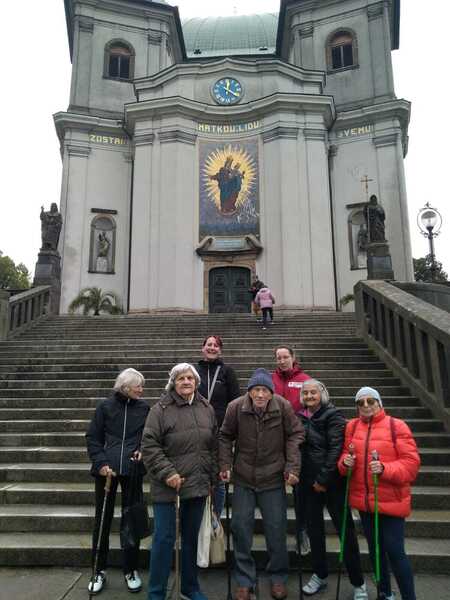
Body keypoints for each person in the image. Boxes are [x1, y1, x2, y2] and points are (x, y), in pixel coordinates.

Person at [219, 368, 305, 600]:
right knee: (240, 528)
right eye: (256, 390)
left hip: (273, 476)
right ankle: (245, 580)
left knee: (276, 529)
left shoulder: (283, 406)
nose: (260, 395)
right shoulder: (235, 407)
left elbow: (296, 434)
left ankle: (277, 577)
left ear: (271, 392)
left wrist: (292, 467)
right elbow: (225, 436)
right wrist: (224, 465)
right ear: (249, 392)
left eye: (264, 390)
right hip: (244, 477)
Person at [142, 363, 218, 600]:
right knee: (164, 540)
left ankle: (190, 587)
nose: (186, 382)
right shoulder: (160, 409)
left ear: (196, 382)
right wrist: (168, 473)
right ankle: (156, 592)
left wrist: (212, 476)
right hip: (169, 488)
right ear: (173, 382)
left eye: (190, 378)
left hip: (197, 485)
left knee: (191, 540)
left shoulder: (206, 407)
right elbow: (149, 445)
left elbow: (213, 445)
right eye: (181, 378)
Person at [339, 387, 420, 600]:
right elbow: (344, 462)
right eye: (361, 402)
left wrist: (385, 469)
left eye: (371, 401)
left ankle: (409, 597)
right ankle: (385, 593)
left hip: (391, 501)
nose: (366, 405)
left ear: (379, 403)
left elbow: (411, 465)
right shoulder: (351, 426)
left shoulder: (397, 426)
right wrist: (345, 464)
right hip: (365, 503)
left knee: (395, 552)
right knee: (375, 551)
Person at [299, 380, 368, 599]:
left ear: (322, 394)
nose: (309, 396)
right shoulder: (299, 417)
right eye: (305, 392)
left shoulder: (333, 415)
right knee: (314, 531)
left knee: (345, 531)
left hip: (332, 483)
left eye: (313, 392)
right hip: (306, 483)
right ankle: (319, 574)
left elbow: (336, 448)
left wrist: (323, 478)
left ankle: (358, 582)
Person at [86, 368, 149, 594]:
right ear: (125, 387)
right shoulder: (105, 406)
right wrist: (101, 462)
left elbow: (148, 436)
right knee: (101, 520)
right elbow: (93, 437)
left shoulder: (144, 408)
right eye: (138, 386)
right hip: (107, 471)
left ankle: (130, 569)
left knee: (131, 520)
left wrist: (142, 450)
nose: (142, 389)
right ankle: (98, 569)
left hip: (133, 470)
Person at [271, 346, 312, 555]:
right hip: (274, 439)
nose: (282, 360)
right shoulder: (270, 380)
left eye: (285, 356)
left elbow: (313, 403)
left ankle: (302, 530)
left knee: (300, 490)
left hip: (298, 439)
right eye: (278, 357)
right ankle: (276, 535)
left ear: (293, 358)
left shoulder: (305, 379)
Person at [197, 335, 240, 517]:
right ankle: (200, 514)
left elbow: (236, 401)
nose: (212, 348)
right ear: (203, 348)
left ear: (220, 350)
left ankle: (215, 517)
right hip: (197, 430)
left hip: (220, 432)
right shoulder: (194, 370)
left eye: (216, 345)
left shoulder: (227, 371)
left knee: (220, 477)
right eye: (209, 345)